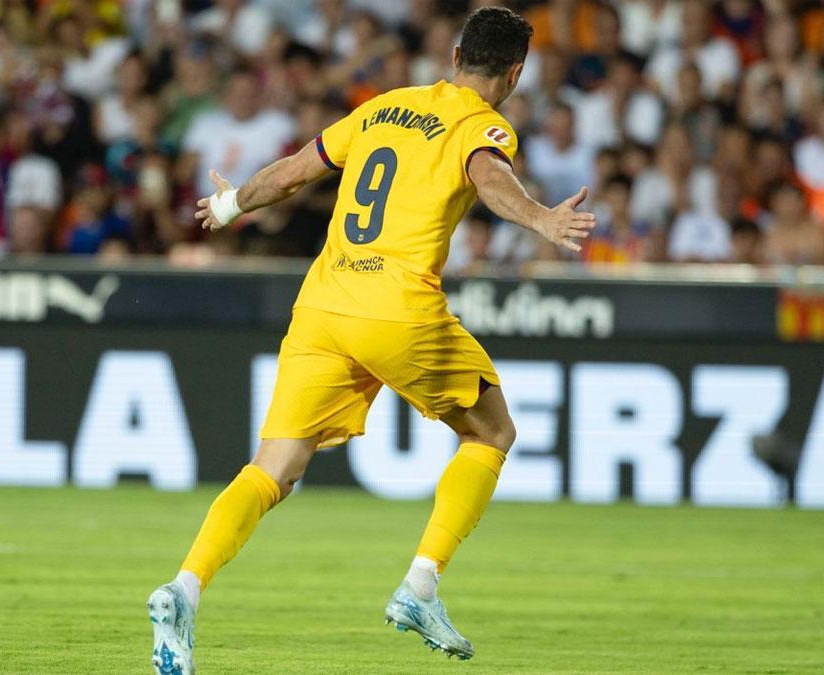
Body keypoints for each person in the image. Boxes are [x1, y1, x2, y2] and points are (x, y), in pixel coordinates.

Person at [146, 8, 595, 673]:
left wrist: (234, 202)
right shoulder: (483, 124)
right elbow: (488, 173)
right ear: (515, 72)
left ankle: (183, 586)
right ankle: (420, 585)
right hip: (396, 307)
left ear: (453, 53)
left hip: (324, 302)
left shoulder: (384, 108)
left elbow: (296, 170)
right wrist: (542, 218)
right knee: (491, 432)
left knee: (272, 468)